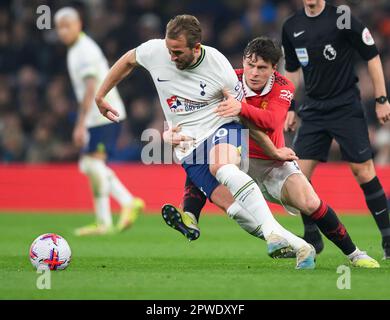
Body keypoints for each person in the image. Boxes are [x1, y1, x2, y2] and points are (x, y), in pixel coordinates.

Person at [95, 14, 317, 269]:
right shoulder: (156, 50)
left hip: (222, 127)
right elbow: (128, 60)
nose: (171, 57)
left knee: (221, 167)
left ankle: (272, 235)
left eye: (177, 52)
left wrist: (273, 150)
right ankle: (299, 245)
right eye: (169, 50)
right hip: (188, 147)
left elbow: (243, 116)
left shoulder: (219, 67)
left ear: (196, 47)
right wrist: (101, 96)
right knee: (234, 209)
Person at [162, 36, 379, 268]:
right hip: (237, 159)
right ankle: (192, 216)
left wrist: (240, 107)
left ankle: (355, 254)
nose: (254, 72)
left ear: (273, 69)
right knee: (209, 160)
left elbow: (273, 120)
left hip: (272, 161)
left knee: (310, 202)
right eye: (250, 65)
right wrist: (168, 134)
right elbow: (193, 114)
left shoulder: (283, 86)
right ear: (243, 62)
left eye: (262, 68)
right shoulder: (227, 79)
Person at [282, 0, 390, 259]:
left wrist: (381, 99)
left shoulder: (342, 17)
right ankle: (312, 238)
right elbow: (293, 70)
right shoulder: (291, 26)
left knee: (363, 172)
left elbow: (371, 55)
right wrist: (290, 105)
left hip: (345, 107)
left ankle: (388, 239)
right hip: (314, 110)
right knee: (297, 176)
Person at [54, 7, 144, 236]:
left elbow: (91, 87)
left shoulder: (83, 50)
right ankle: (104, 220)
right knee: (89, 165)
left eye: (67, 26)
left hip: (103, 114)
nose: (63, 32)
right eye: (60, 28)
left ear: (79, 24)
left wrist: (80, 123)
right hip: (100, 115)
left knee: (92, 164)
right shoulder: (77, 49)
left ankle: (126, 203)